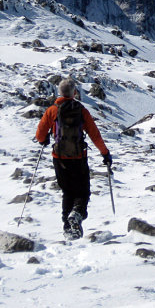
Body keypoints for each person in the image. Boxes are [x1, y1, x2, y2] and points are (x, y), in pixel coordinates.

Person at [35, 78, 112, 239]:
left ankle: (67, 228)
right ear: (74, 93)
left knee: (67, 192)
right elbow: (94, 135)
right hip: (79, 158)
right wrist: (104, 153)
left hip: (60, 158)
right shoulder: (81, 110)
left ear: (59, 93)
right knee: (83, 192)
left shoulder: (52, 110)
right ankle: (76, 214)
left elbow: (40, 134)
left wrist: (44, 140)